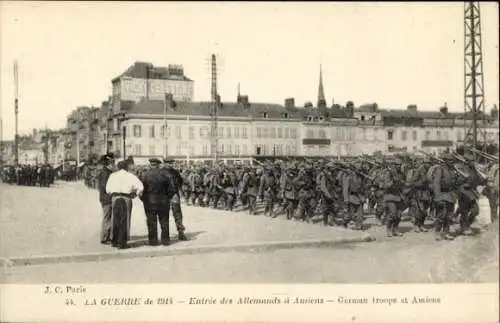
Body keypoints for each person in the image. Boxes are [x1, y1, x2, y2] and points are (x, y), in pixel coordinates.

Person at [105, 160, 144, 249]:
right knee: (125, 220)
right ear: (126, 167)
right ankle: (122, 242)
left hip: (115, 198)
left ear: (118, 167)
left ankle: (114, 241)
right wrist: (136, 193)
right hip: (126, 198)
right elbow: (140, 187)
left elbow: (107, 189)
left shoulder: (112, 175)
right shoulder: (130, 176)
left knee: (115, 219)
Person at [141, 158, 175, 246]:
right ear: (159, 164)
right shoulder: (166, 174)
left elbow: (141, 189)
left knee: (151, 222)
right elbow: (172, 188)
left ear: (150, 164)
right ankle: (165, 240)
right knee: (164, 221)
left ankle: (153, 241)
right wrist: (168, 197)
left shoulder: (145, 174)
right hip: (163, 201)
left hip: (149, 201)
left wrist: (144, 199)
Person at [162, 159, 188, 241]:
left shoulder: (175, 172)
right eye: (168, 163)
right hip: (164, 196)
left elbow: (180, 181)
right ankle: (165, 235)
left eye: (171, 163)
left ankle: (181, 232)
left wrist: (178, 190)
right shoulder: (160, 172)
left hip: (174, 195)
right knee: (164, 215)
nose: (170, 164)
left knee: (178, 214)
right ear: (164, 163)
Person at [98, 153, 115, 245]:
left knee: (107, 217)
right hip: (107, 198)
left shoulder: (105, 172)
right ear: (109, 163)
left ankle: (106, 236)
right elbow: (105, 187)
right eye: (112, 162)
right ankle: (105, 237)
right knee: (107, 217)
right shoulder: (106, 173)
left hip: (104, 197)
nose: (113, 164)